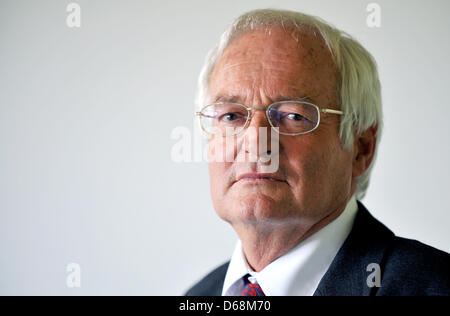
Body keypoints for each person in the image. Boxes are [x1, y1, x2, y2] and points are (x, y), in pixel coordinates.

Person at [185, 8, 449, 296]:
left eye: (294, 116)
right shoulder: (197, 295)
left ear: (361, 148)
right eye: (232, 116)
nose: (256, 143)